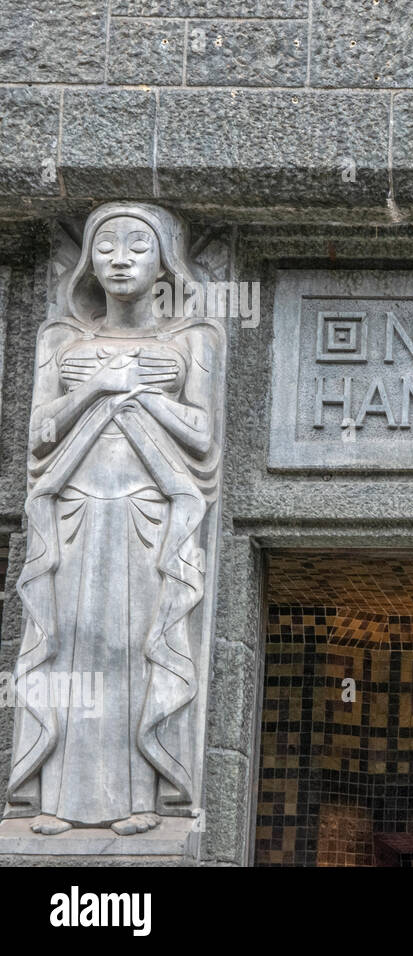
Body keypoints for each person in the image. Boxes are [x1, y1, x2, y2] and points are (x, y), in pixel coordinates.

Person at [6, 203, 225, 835]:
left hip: (147, 514)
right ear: (87, 262)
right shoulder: (60, 340)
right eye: (106, 246)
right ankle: (56, 804)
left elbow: (204, 437)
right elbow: (42, 435)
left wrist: (148, 395)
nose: (121, 257)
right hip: (72, 516)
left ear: (165, 260)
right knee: (70, 649)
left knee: (138, 648)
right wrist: (99, 385)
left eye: (137, 244)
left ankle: (141, 801)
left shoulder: (194, 340)